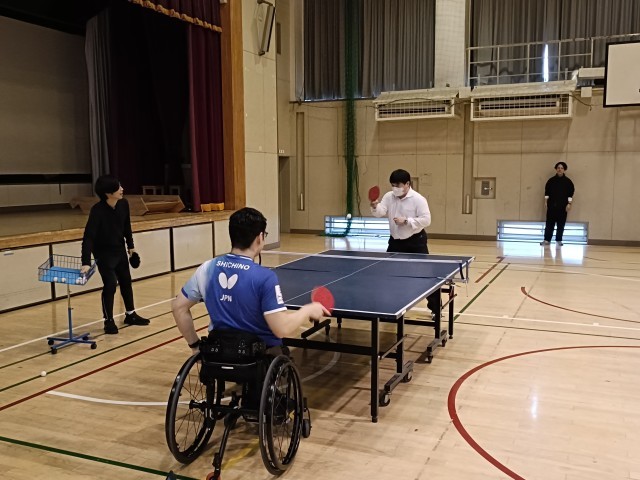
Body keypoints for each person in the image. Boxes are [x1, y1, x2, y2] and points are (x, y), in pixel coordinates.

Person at [172, 207, 329, 356]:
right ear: (260, 237)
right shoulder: (265, 277)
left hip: (218, 352)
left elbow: (179, 307)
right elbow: (281, 328)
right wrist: (307, 310)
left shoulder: (207, 269)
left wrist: (195, 346)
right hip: (259, 355)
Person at [81, 175, 149, 334]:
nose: (122, 189)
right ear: (108, 193)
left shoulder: (123, 204)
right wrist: (86, 262)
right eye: (118, 187)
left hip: (119, 250)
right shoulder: (97, 211)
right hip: (104, 254)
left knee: (126, 281)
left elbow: (127, 227)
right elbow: (88, 237)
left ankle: (130, 315)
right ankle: (108, 320)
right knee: (110, 283)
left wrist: (131, 249)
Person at [370, 169, 439, 318]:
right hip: (395, 242)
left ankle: (436, 308)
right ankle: (392, 306)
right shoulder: (389, 196)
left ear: (407, 184)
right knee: (389, 274)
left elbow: (426, 220)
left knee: (426, 276)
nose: (395, 188)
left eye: (398, 185)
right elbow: (380, 212)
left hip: (416, 241)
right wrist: (375, 206)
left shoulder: (418, 199)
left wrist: (407, 221)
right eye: (393, 185)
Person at [540, 162, 575, 247]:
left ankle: (559, 240)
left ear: (564, 170)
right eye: (558, 168)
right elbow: (547, 192)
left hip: (563, 206)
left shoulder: (568, 182)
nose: (560, 169)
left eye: (562, 168)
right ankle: (547, 240)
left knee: (561, 224)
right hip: (551, 206)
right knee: (549, 224)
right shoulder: (551, 181)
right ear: (556, 169)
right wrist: (545, 201)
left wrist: (569, 204)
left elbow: (570, 194)